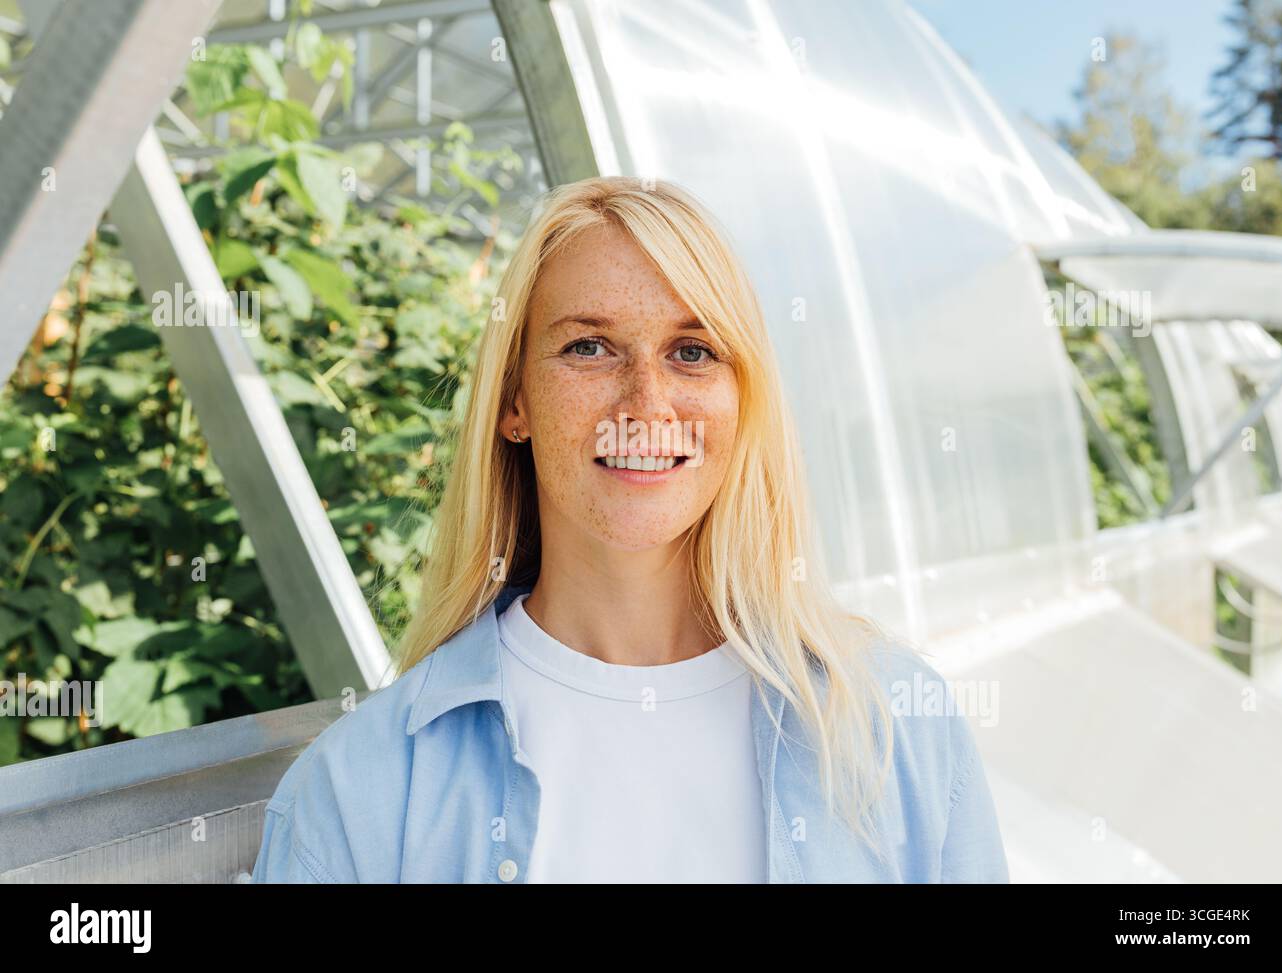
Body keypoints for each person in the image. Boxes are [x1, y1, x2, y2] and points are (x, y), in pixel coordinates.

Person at [251, 176, 1010, 883]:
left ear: (743, 399)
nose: (647, 402)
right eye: (589, 346)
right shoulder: (359, 788)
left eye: (693, 351)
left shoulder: (897, 734)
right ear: (514, 400)